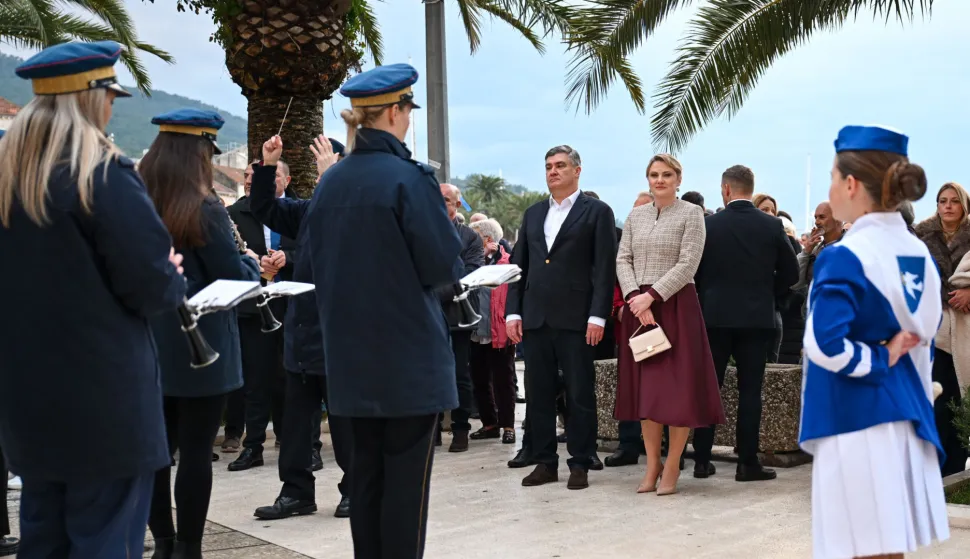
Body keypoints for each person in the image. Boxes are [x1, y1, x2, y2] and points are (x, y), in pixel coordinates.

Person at [0, 41, 186, 557]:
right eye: (109, 94)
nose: (111, 105)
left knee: (44, 540)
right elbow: (152, 288)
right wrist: (168, 273)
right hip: (106, 409)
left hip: (29, 405)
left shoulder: (9, 182)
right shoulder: (102, 176)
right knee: (106, 540)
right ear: (90, 98)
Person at [304, 63, 462, 558]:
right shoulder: (409, 179)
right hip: (408, 364)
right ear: (395, 112)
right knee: (405, 496)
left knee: (365, 485)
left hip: (350, 364)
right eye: (408, 110)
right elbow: (443, 265)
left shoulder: (329, 184)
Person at [800, 124, 949, 559]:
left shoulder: (845, 255)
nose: (829, 188)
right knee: (886, 548)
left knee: (859, 548)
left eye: (831, 176)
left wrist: (878, 357)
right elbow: (927, 329)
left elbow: (824, 345)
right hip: (905, 411)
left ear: (850, 184)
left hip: (853, 415)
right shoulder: (917, 251)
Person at [140, 108, 261, 559]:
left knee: (155, 452)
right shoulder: (204, 206)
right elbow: (233, 276)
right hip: (201, 346)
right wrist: (249, 260)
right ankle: (189, 548)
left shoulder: (135, 197)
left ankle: (164, 544)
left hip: (150, 346)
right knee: (194, 452)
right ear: (200, 152)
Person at [249, 135, 354, 521]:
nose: (322, 173)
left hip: (340, 335)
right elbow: (263, 206)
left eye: (329, 165)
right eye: (320, 167)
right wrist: (266, 164)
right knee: (294, 423)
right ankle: (296, 492)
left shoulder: (354, 209)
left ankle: (355, 488)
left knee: (345, 422)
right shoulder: (305, 210)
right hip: (302, 332)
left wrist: (334, 178)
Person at [506, 145, 617, 490]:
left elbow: (603, 269)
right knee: (538, 393)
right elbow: (517, 266)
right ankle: (544, 462)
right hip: (536, 317)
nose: (553, 171)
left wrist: (598, 316)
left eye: (560, 166)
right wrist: (513, 310)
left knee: (579, 393)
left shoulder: (597, 212)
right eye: (549, 166)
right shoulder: (534, 213)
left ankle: (580, 462)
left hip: (577, 318)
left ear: (577, 171)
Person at [614, 154, 725, 495]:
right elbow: (623, 258)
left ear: (678, 178)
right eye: (653, 174)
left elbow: (689, 262)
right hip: (638, 308)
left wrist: (654, 296)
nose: (659, 180)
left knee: (677, 392)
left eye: (666, 175)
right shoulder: (635, 215)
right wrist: (636, 296)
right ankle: (652, 464)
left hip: (676, 307)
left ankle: (674, 464)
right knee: (646, 393)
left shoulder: (692, 214)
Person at [692, 165, 799, 482]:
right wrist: (769, 295)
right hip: (756, 318)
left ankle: (701, 459)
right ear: (751, 190)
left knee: (709, 388)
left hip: (714, 317)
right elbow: (791, 273)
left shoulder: (709, 225)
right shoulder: (771, 225)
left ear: (725, 189)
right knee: (751, 392)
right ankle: (747, 462)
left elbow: (694, 271)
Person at [225, 161, 297, 470]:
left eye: (268, 175)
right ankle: (252, 445)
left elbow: (312, 249)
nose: (252, 181)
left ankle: (298, 443)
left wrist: (288, 258)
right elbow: (229, 255)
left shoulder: (298, 210)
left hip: (293, 305)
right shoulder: (234, 214)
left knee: (294, 378)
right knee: (255, 378)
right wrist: (255, 265)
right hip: (254, 308)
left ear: (286, 179)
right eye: (248, 176)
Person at [915, 182, 970, 476]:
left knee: (963, 401)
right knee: (938, 400)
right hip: (933, 330)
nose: (947, 206)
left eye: (954, 201)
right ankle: (933, 468)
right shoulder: (920, 237)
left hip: (966, 330)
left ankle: (957, 469)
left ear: (964, 205)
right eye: (942, 201)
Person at [604, 191, 653, 468]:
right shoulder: (620, 242)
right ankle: (629, 445)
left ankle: (667, 448)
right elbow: (610, 281)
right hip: (629, 326)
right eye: (634, 210)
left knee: (663, 384)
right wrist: (619, 308)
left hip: (661, 320)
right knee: (630, 385)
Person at [435, 183, 484, 451]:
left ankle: (461, 429)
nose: (441, 204)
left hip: (458, 316)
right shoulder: (421, 233)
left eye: (446, 200)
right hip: (428, 317)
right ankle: (432, 431)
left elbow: (468, 275)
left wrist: (432, 292)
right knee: (427, 373)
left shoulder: (469, 237)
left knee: (459, 375)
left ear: (456, 204)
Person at [468, 218, 518, 444]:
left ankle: (508, 425)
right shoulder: (473, 261)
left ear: (487, 239)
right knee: (479, 379)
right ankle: (489, 423)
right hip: (476, 329)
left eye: (476, 236)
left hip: (499, 329)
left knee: (503, 380)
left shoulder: (506, 262)